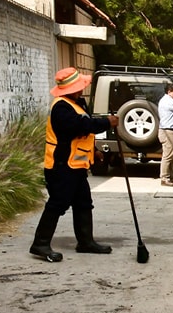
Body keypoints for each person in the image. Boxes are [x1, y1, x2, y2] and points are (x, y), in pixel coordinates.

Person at [29, 67, 120, 262]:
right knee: (57, 204)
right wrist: (106, 122)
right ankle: (40, 243)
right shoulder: (61, 107)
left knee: (83, 204)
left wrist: (93, 150)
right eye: (79, 87)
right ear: (70, 89)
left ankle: (86, 242)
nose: (81, 90)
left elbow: (82, 134)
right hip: (61, 166)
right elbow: (81, 126)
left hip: (76, 166)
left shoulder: (76, 103)